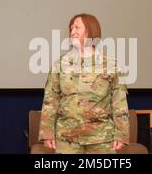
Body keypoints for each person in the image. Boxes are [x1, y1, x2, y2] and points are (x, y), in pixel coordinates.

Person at [38, 13, 130, 154]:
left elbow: (119, 102)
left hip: (101, 138)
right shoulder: (60, 64)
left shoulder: (111, 65)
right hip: (67, 138)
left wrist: (122, 134)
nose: (72, 32)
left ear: (91, 31)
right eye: (71, 28)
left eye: (77, 27)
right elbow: (51, 100)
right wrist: (47, 133)